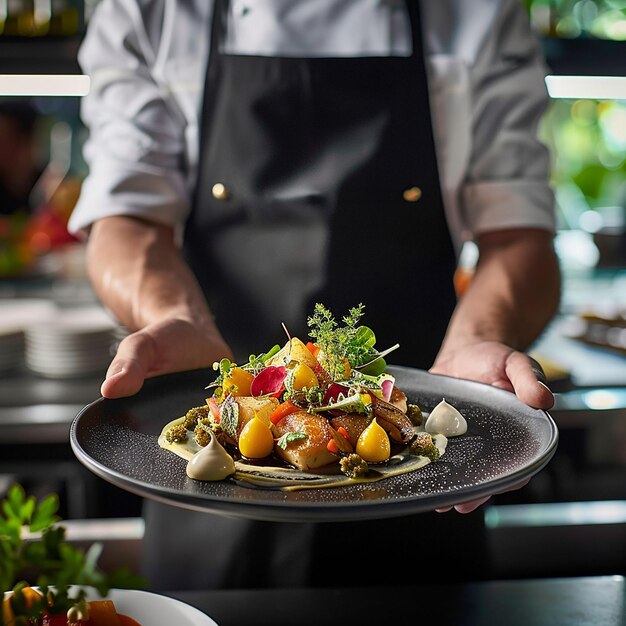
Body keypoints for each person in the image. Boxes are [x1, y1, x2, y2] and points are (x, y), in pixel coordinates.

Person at [69, 0, 561, 589]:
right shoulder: (149, 10)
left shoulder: (480, 11)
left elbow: (520, 240)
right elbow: (126, 219)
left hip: (425, 475)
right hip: (204, 479)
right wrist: (170, 315)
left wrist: (480, 341)